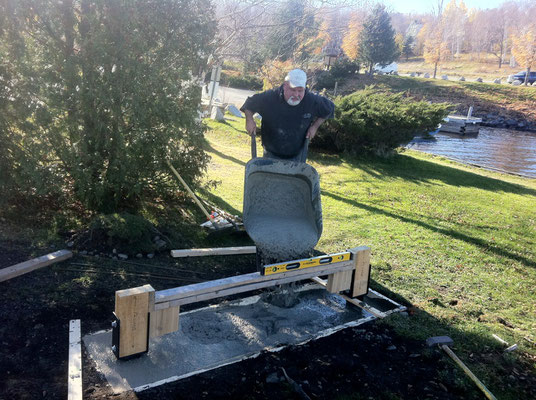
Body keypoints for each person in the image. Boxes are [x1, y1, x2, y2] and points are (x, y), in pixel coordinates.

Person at [240, 69, 334, 163]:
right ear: (285, 86)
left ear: (305, 89)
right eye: (293, 90)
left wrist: (315, 126)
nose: (296, 94)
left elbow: (329, 109)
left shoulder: (311, 100)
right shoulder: (270, 97)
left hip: (297, 155)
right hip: (270, 153)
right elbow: (249, 103)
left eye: (300, 91)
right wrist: (249, 119)